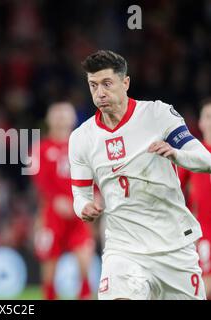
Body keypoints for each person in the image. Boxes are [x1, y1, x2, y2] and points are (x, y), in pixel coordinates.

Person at [68, 50, 211, 300]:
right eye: (93, 85)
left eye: (106, 84)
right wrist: (84, 207)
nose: (99, 93)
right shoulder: (82, 138)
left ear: (126, 83)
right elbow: (79, 194)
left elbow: (205, 160)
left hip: (174, 246)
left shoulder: (158, 115)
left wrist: (177, 155)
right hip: (123, 248)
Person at [31, 102, 94, 300]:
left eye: (64, 114)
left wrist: (94, 197)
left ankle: (84, 294)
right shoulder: (40, 148)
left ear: (73, 119)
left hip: (79, 213)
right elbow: (39, 181)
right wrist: (55, 199)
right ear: (48, 119)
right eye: (56, 114)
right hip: (51, 215)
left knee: (85, 263)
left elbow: (95, 176)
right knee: (49, 268)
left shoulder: (83, 147)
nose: (60, 118)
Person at [178, 99, 211, 299]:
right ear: (200, 123)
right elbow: (174, 189)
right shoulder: (194, 153)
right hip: (206, 232)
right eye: (208, 116)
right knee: (204, 287)